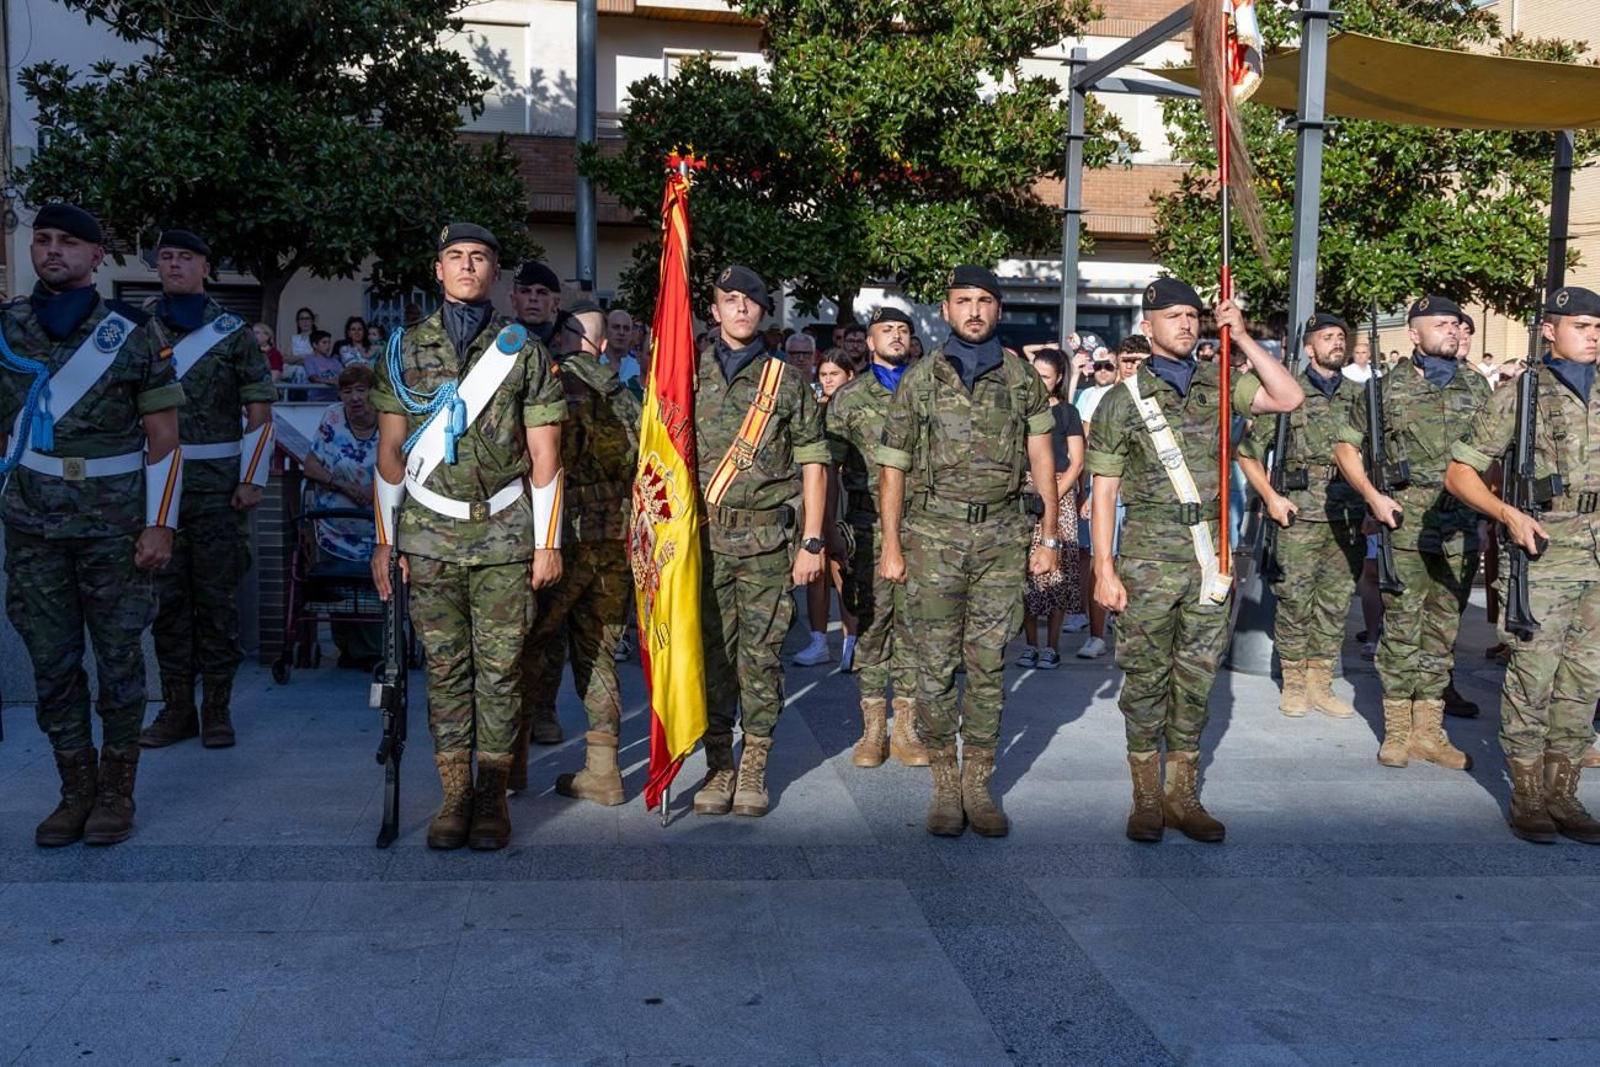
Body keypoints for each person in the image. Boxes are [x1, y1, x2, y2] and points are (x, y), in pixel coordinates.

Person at [370, 222, 566, 852]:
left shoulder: (525, 352)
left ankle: (491, 794)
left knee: (503, 671)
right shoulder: (402, 348)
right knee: (448, 670)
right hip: (427, 535)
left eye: (479, 257)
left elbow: (546, 456)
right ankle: (454, 795)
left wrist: (548, 541)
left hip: (505, 533)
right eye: (455, 256)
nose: (466, 266)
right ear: (438, 269)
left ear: (494, 274)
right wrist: (385, 539)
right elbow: (390, 451)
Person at [1087, 278, 1304, 844]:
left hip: (1210, 554)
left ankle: (1185, 795)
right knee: (1145, 680)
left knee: (1198, 679)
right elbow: (1105, 491)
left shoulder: (1220, 383)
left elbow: (1287, 397)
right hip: (1148, 555)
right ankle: (1147, 797)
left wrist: (1244, 336)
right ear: (1147, 326)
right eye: (1173, 316)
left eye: (1193, 315)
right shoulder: (1120, 401)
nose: (1186, 324)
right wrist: (1104, 569)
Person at [1, 203, 184, 846]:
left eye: (69, 243)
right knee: (52, 665)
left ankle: (116, 791)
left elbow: (164, 439)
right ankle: (73, 789)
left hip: (114, 526)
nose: (53, 251)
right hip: (31, 526)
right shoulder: (8, 328)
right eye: (43, 240)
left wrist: (159, 525)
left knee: (119, 664)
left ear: (96, 256)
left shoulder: (132, 331)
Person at [879, 265, 1060, 838]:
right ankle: (943, 782)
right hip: (932, 538)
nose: (975, 310)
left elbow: (1041, 459)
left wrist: (1048, 534)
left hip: (1002, 538)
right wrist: (890, 544)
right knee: (933, 668)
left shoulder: (1023, 378)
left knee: (987, 665)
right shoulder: (920, 379)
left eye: (985, 301)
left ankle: (977, 783)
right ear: (947, 308)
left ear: (998, 310)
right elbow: (894, 468)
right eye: (964, 301)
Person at [1445, 285, 1600, 844]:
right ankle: (1528, 794)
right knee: (1533, 680)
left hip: (1596, 557)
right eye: (1581, 325)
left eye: (1598, 327)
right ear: (1550, 331)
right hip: (1542, 553)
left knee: (1584, 683)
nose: (1593, 336)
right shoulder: (1521, 394)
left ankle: (1565, 795)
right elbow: (1460, 472)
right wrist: (1506, 513)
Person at [688, 266, 830, 819]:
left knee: (762, 656)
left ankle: (754, 765)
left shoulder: (786, 381)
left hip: (768, 539)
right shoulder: (686, 372)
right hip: (702, 538)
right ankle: (718, 762)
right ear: (715, 310)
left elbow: (814, 463)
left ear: (764, 312)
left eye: (751, 301)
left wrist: (812, 542)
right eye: (730, 300)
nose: (741, 308)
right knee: (713, 654)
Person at [1333, 295, 1489, 772]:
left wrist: (1487, 517)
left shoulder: (1477, 388)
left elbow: (1492, 457)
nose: (1453, 331)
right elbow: (1344, 446)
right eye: (1441, 324)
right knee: (1403, 628)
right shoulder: (1384, 391)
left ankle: (1430, 731)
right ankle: (1398, 730)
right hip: (1405, 518)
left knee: (1443, 630)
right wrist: (1372, 497)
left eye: (1456, 324)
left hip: (1460, 522)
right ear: (1414, 335)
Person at [134, 230, 276, 751]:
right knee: (167, 602)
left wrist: (252, 478)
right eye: (166, 257)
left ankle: (217, 708)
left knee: (217, 602)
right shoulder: (136, 325)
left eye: (185, 257)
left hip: (217, 487)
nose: (173, 265)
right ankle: (176, 710)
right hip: (155, 487)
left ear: (206, 266)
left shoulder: (231, 331)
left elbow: (259, 407)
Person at [517, 302, 640, 803]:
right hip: (617, 539)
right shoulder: (627, 394)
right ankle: (604, 770)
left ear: (566, 335)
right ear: (605, 344)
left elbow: (542, 459)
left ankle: (513, 765)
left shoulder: (558, 383)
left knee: (528, 644)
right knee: (600, 652)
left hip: (563, 535)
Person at [1237, 313, 1366, 720]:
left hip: (1347, 514)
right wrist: (1271, 498)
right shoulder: (1287, 392)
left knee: (1336, 602)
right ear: (1309, 348)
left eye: (1341, 337)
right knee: (1294, 601)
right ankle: (1294, 683)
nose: (1337, 343)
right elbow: (1246, 454)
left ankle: (1320, 684)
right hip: (1298, 512)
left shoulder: (1361, 397)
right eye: (1327, 337)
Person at [827, 306, 930, 769]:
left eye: (903, 330)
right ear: (868, 342)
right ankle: (872, 730)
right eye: (886, 329)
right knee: (871, 623)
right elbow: (827, 467)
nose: (896, 336)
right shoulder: (849, 397)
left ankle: (906, 728)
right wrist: (826, 530)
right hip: (868, 525)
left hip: (922, 525)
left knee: (913, 627)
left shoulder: (929, 390)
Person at [301, 363, 382, 667]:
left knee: (372, 585)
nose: (355, 398)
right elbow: (311, 465)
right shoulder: (333, 417)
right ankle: (347, 649)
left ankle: (370, 651)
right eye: (347, 391)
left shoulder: (389, 418)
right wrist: (344, 486)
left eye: (361, 390)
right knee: (341, 586)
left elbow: (403, 465)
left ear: (373, 392)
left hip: (377, 522)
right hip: (336, 522)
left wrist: (373, 491)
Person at [1018, 348, 1085, 669]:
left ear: (1058, 379)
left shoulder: (1068, 413)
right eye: (1035, 373)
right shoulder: (1020, 408)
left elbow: (1077, 461)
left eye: (1044, 376)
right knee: (1027, 570)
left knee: (1058, 570)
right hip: (1026, 492)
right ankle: (1030, 644)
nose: (1038, 381)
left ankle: (1052, 646)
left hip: (1060, 492)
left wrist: (1053, 494)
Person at [809, 349, 859, 669]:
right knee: (816, 561)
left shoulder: (856, 406)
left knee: (843, 564)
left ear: (849, 376)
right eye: (824, 375)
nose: (828, 381)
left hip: (842, 489)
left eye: (834, 375)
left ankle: (849, 639)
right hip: (817, 488)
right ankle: (817, 640)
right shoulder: (816, 409)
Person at [510, 260, 561, 346]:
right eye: (525, 291)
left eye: (542, 292)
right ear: (513, 300)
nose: (533, 298)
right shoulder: (495, 342)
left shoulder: (564, 345)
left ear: (555, 303)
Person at [604, 307, 642, 387]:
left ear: (631, 334)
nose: (621, 332)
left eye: (626, 328)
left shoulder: (639, 369)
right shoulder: (594, 363)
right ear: (605, 331)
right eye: (616, 327)